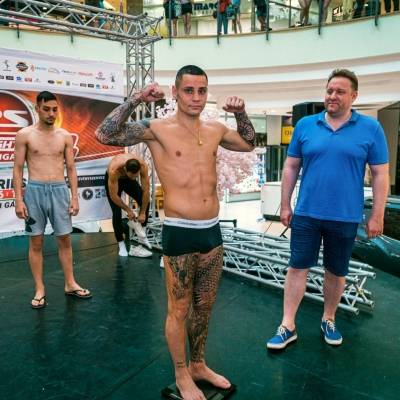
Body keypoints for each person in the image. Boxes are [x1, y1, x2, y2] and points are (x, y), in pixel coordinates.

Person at [95, 65, 256, 400]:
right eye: (188, 90)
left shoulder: (215, 129)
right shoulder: (157, 129)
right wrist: (137, 99)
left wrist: (241, 114)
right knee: (179, 309)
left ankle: (198, 364)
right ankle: (181, 373)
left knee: (204, 307)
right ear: (175, 92)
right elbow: (105, 134)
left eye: (201, 91)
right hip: (180, 232)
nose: (196, 98)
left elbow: (247, 143)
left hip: (212, 231)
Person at [266, 69, 389, 350]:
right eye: (329, 90)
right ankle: (287, 325)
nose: (332, 96)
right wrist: (284, 204)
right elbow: (291, 166)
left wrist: (377, 214)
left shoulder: (371, 128)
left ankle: (328, 319)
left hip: (345, 216)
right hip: (307, 213)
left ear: (354, 96)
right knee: (297, 268)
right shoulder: (306, 125)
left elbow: (380, 174)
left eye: (340, 92)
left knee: (336, 271)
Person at [13, 91, 92, 309]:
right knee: (36, 242)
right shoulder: (25, 135)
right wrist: (19, 200)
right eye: (46, 109)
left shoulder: (64, 136)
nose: (51, 113)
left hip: (59, 190)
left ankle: (70, 283)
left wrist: (75, 197)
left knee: (65, 239)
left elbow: (71, 169)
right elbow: (17, 169)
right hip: (35, 191)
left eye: (55, 109)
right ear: (37, 108)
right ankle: (39, 288)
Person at [105, 153, 152, 257]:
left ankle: (141, 239)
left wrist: (142, 212)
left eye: (136, 176)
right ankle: (121, 244)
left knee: (145, 201)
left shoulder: (143, 166)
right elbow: (114, 196)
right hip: (115, 179)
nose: (134, 178)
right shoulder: (114, 170)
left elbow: (146, 191)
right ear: (125, 169)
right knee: (116, 211)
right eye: (132, 176)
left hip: (127, 180)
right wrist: (128, 210)